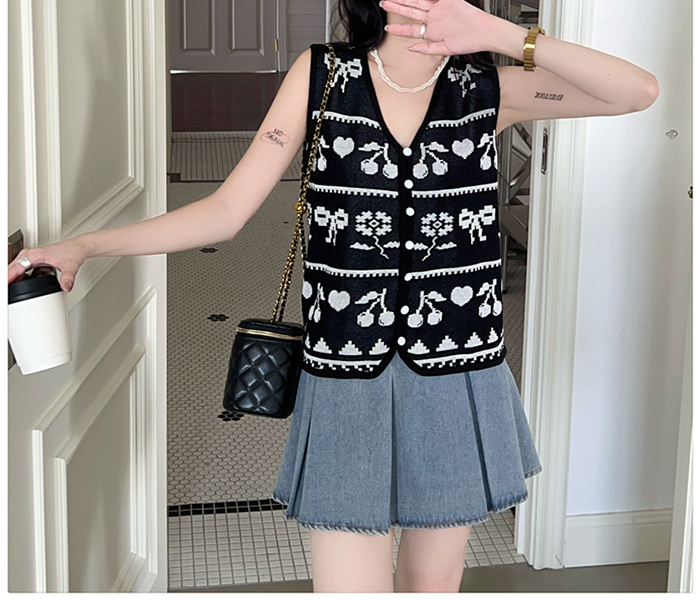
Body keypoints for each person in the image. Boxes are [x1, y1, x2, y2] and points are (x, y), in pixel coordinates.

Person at [8, 0, 658, 593]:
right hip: (347, 374)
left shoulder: (488, 88)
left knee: (432, 585)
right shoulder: (321, 76)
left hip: (459, 370)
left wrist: (500, 34)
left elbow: (637, 91)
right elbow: (226, 210)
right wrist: (86, 245)